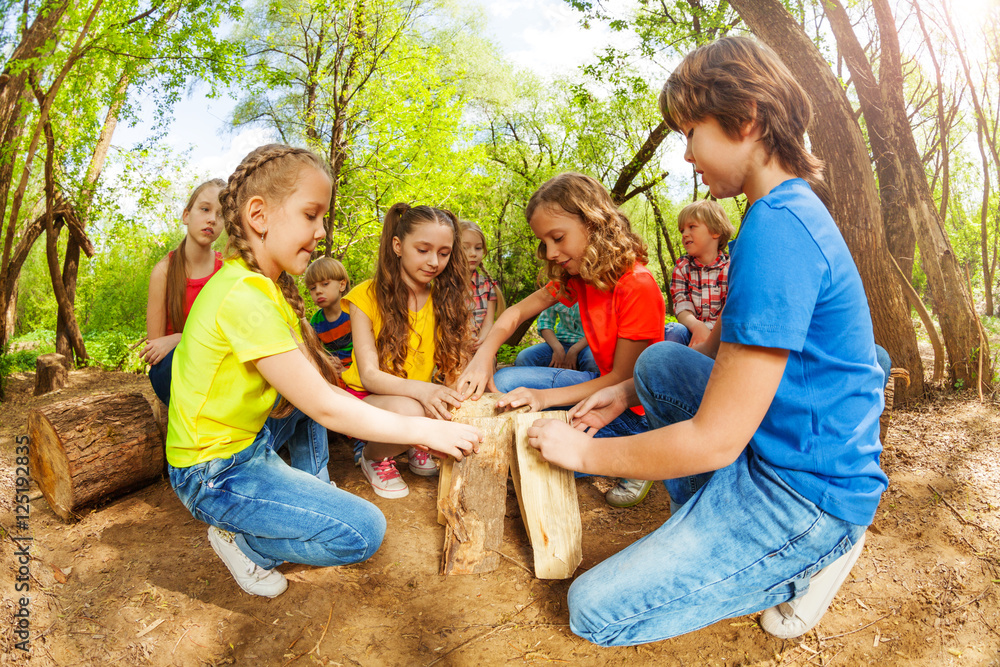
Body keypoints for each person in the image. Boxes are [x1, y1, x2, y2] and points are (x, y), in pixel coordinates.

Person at [524, 36, 888, 646]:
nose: (688, 155)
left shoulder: (779, 230)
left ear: (744, 121)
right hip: (773, 446)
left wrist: (582, 453)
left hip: (809, 494)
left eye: (691, 133)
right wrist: (623, 390)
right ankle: (712, 534)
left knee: (594, 611)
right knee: (662, 364)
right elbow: (721, 341)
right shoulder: (774, 214)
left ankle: (806, 559)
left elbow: (716, 439)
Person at [166, 144, 481, 599]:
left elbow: (313, 391)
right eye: (311, 215)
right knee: (362, 531)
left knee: (305, 398)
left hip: (248, 443)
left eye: (323, 219)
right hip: (211, 471)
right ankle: (245, 544)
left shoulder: (263, 286)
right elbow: (326, 407)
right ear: (259, 214)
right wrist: (424, 430)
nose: (321, 232)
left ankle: (310, 483)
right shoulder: (244, 296)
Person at [456, 173, 665, 480]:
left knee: (530, 456)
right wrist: (484, 355)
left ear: (593, 223)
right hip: (599, 384)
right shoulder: (580, 276)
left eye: (558, 238)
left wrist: (543, 398)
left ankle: (635, 458)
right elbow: (515, 313)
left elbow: (622, 379)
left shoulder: (637, 285)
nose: (551, 252)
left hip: (630, 411)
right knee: (506, 382)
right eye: (544, 242)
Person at [341, 204, 473, 499]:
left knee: (452, 404)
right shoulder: (365, 296)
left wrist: (458, 396)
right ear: (398, 246)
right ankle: (374, 456)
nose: (434, 261)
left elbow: (452, 369)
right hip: (365, 398)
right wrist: (425, 393)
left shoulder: (444, 299)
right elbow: (370, 376)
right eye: (423, 249)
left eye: (443, 252)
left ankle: (415, 441)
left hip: (414, 395)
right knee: (415, 408)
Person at [142, 179, 226, 405]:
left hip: (217, 367)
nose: (212, 219)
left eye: (221, 214)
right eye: (205, 209)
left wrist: (180, 338)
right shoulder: (163, 271)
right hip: (173, 371)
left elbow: (228, 336)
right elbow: (156, 349)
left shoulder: (226, 270)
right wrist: (178, 345)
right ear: (186, 216)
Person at [664, 199, 734, 347]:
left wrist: (711, 338)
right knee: (673, 330)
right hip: (692, 333)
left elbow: (731, 311)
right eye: (682, 230)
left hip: (722, 337)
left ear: (716, 231)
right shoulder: (683, 268)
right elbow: (682, 307)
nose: (684, 234)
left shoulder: (731, 268)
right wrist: (698, 327)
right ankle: (671, 367)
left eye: (692, 227)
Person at [514, 302, 598, 374]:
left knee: (593, 361)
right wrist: (557, 348)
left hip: (588, 344)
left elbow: (599, 328)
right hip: (560, 342)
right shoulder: (556, 291)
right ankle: (530, 389)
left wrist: (574, 350)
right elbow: (545, 323)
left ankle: (591, 389)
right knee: (524, 357)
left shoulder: (596, 290)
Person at [461, 219, 504, 350]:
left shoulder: (487, 286)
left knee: (487, 360)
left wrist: (480, 341)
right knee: (463, 361)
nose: (473, 253)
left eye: (478, 248)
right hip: (455, 347)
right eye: (464, 248)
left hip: (481, 343)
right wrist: (463, 342)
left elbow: (488, 323)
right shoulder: (444, 286)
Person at [305, 256, 353, 371]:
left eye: (325, 284)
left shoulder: (353, 313)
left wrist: (345, 371)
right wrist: (326, 361)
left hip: (357, 372)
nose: (318, 291)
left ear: (342, 285)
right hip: (333, 372)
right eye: (312, 288)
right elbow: (314, 353)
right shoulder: (316, 321)